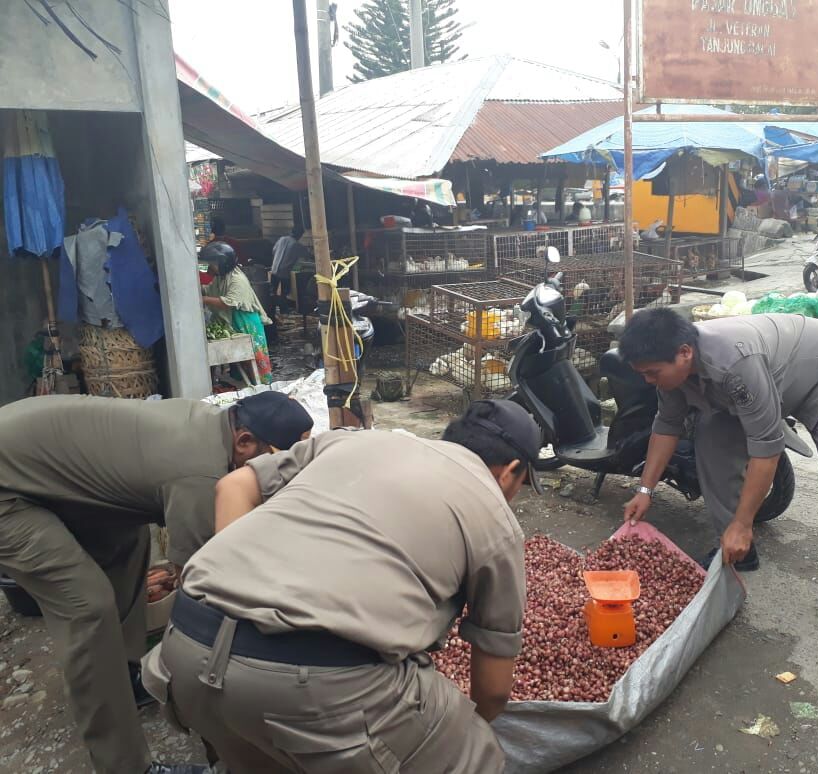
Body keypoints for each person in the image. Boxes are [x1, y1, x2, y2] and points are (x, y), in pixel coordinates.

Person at [142, 400, 541, 773]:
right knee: (477, 752)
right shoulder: (497, 521)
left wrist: (241, 587)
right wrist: (435, 734)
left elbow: (232, 486)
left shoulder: (355, 441)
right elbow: (491, 693)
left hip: (184, 645)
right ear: (512, 471)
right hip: (312, 684)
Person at [0, 392, 314, 774]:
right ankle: (126, 766)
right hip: (8, 492)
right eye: (275, 461)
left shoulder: (215, 426)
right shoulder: (200, 474)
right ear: (244, 441)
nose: (276, 475)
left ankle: (122, 675)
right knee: (88, 606)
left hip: (38, 461)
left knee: (128, 541)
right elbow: (207, 586)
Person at [620, 308, 818, 648]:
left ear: (685, 353)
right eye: (644, 374)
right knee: (710, 438)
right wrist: (645, 490)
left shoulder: (735, 362)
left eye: (653, 373)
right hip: (768, 381)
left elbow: (766, 447)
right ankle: (742, 552)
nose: (649, 380)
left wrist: (744, 522)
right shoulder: (671, 371)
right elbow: (666, 425)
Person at [200, 241, 274, 385]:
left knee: (255, 359)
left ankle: (263, 388)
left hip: (245, 321)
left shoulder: (237, 279)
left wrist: (203, 299)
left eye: (212, 263)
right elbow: (209, 290)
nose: (210, 266)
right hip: (233, 321)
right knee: (240, 364)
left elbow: (227, 302)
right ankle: (243, 388)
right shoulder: (221, 277)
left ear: (223, 263)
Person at [269, 224, 308, 307]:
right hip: (284, 273)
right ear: (300, 235)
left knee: (272, 292)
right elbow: (307, 255)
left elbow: (273, 251)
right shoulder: (296, 245)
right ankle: (283, 309)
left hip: (274, 269)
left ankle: (271, 309)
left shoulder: (281, 239)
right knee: (284, 293)